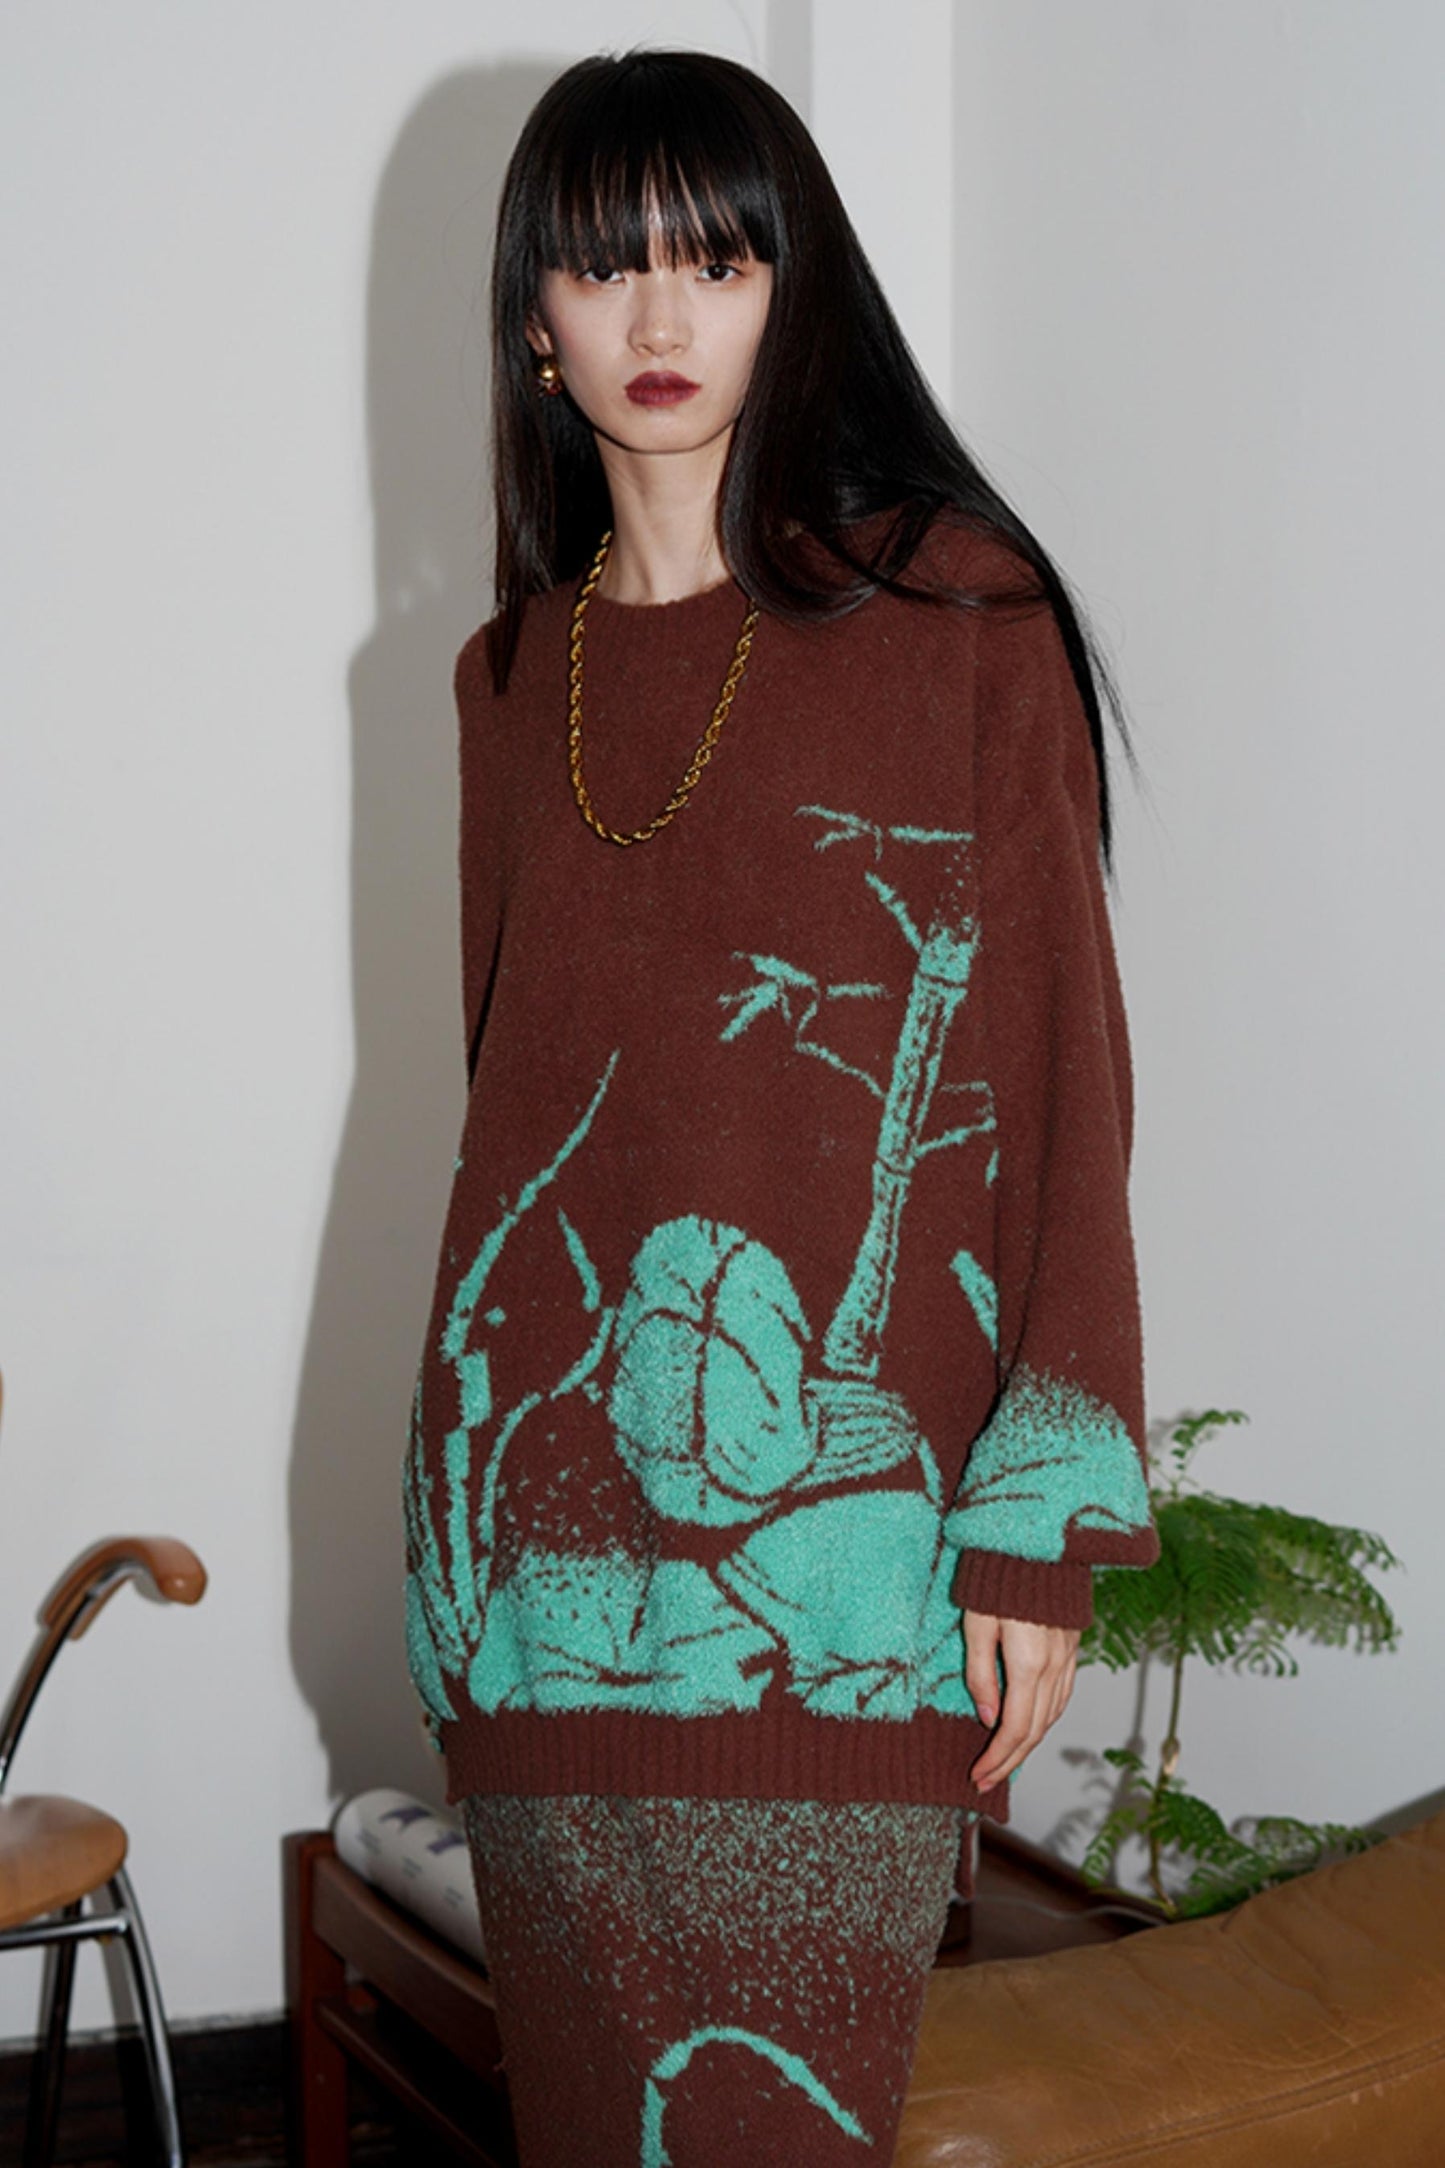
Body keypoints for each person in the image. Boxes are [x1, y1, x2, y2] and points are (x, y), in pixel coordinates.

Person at [402, 45, 1161, 2167]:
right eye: (606, 269)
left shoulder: (957, 610)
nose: (661, 318)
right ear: (533, 321)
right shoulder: (504, 679)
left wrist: (1039, 1519)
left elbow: (1069, 1082)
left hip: (846, 1558)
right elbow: (508, 1112)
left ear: (789, 292)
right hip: (541, 1579)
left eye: (717, 264)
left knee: (777, 2123)